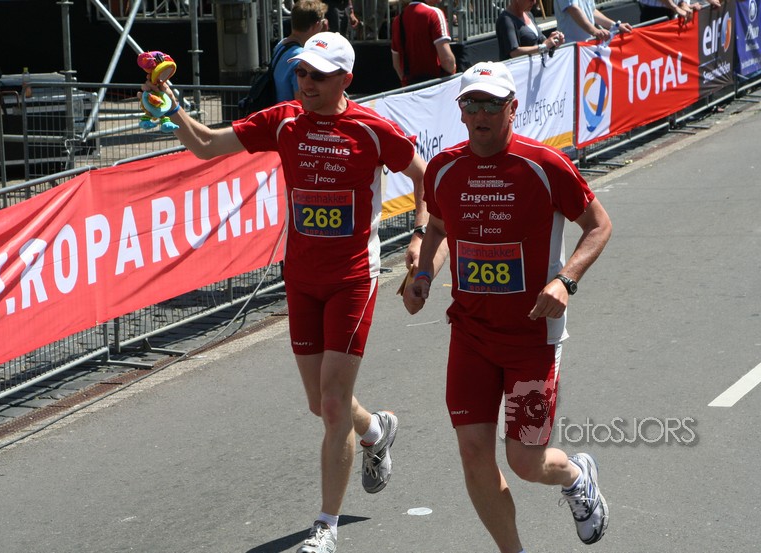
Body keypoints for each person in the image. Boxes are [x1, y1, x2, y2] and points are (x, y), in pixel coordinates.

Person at [142, 32, 431, 553]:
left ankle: (326, 527)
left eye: (318, 75)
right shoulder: (284, 121)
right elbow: (206, 144)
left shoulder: (371, 129)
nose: (306, 82)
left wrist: (419, 236)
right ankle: (375, 430)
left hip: (352, 279)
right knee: (321, 404)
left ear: (345, 79)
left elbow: (424, 176)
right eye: (301, 72)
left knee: (333, 404)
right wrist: (171, 107)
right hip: (300, 278)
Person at [403, 61, 613, 552]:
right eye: (472, 104)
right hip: (470, 334)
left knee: (524, 461)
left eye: (492, 105)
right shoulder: (445, 168)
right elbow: (439, 227)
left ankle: (576, 475)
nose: (481, 114)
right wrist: (423, 274)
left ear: (512, 108)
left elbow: (599, 225)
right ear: (460, 111)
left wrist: (565, 280)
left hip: (532, 337)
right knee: (473, 453)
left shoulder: (545, 165)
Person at [390, 0, 456, 87]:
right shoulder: (434, 13)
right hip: (436, 86)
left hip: (411, 87)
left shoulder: (397, 20)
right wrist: (453, 69)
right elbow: (447, 60)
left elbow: (396, 63)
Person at [274, 0, 329, 103]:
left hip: (278, 109)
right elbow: (302, 101)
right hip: (291, 111)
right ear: (316, 25)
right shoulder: (301, 57)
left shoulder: (281, 45)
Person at [496, 0, 566, 61]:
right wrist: (543, 47)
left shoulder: (528, 14)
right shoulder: (505, 20)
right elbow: (514, 52)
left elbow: (541, 41)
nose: (534, 2)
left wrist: (553, 41)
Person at [554, 0, 633, 43]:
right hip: (571, 47)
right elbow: (573, 9)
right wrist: (595, 31)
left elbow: (592, 11)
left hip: (587, 46)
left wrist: (615, 25)